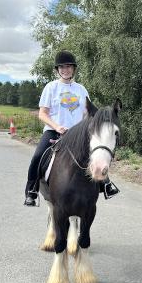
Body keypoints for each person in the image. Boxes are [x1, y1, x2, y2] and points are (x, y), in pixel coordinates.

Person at [24, 50, 119, 206]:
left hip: (78, 134)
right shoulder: (51, 87)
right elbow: (42, 113)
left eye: (68, 66)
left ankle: (106, 184)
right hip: (54, 131)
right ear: (57, 70)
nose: (65, 70)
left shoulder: (81, 89)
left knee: (97, 153)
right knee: (38, 156)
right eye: (61, 67)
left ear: (73, 69)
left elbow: (88, 113)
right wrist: (57, 126)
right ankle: (31, 191)